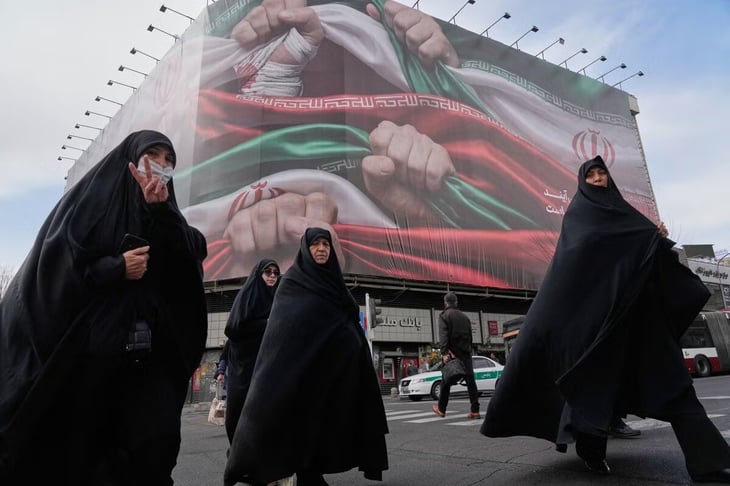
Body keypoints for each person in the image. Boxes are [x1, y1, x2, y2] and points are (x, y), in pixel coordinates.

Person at [481, 156, 730, 483]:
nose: (599, 178)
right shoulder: (579, 217)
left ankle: (708, 462)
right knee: (594, 390)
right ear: (583, 182)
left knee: (677, 388)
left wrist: (655, 240)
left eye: (602, 173)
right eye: (592, 175)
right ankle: (591, 448)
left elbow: (639, 259)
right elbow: (576, 267)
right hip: (598, 330)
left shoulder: (626, 217)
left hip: (638, 325)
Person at [0, 130, 208, 485]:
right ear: (131, 161)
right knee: (84, 451)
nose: (161, 166)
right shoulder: (91, 208)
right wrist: (116, 267)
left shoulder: (167, 215)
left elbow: (192, 252)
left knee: (153, 447)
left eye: (168, 160)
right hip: (93, 358)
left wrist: (161, 212)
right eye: (153, 156)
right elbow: (58, 268)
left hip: (148, 360)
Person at [224, 227, 388, 486]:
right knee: (300, 427)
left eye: (326, 244)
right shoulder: (292, 284)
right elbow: (284, 330)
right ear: (305, 248)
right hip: (300, 374)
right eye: (315, 244)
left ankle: (313, 474)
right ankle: (302, 474)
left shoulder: (334, 283)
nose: (321, 249)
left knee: (326, 427)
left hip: (330, 375)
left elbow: (347, 317)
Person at [223, 258, 281, 444]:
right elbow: (233, 328)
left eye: (275, 273)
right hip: (244, 365)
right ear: (259, 274)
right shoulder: (248, 296)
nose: (272, 276)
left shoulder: (278, 299)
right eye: (268, 272)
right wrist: (267, 323)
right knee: (240, 411)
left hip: (267, 364)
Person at [432, 292, 480, 419]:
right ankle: (475, 410)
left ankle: (441, 409)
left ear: (445, 303)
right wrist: (468, 350)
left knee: (446, 380)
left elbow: (443, 336)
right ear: (456, 302)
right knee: (471, 381)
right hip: (466, 353)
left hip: (453, 353)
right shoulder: (465, 317)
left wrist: (444, 353)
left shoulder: (444, 316)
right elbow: (470, 337)